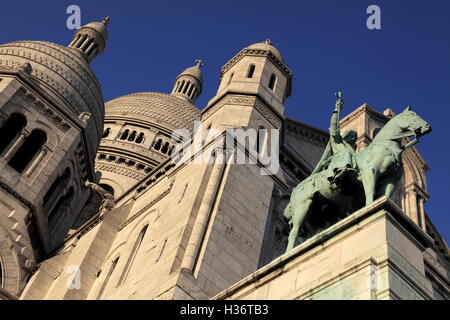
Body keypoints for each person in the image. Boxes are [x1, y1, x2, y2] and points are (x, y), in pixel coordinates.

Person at [311, 92, 357, 185]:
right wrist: (337, 109)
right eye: (351, 136)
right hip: (335, 166)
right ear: (346, 136)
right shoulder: (338, 141)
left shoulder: (351, 150)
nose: (352, 139)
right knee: (346, 153)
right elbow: (333, 126)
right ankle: (338, 173)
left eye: (354, 138)